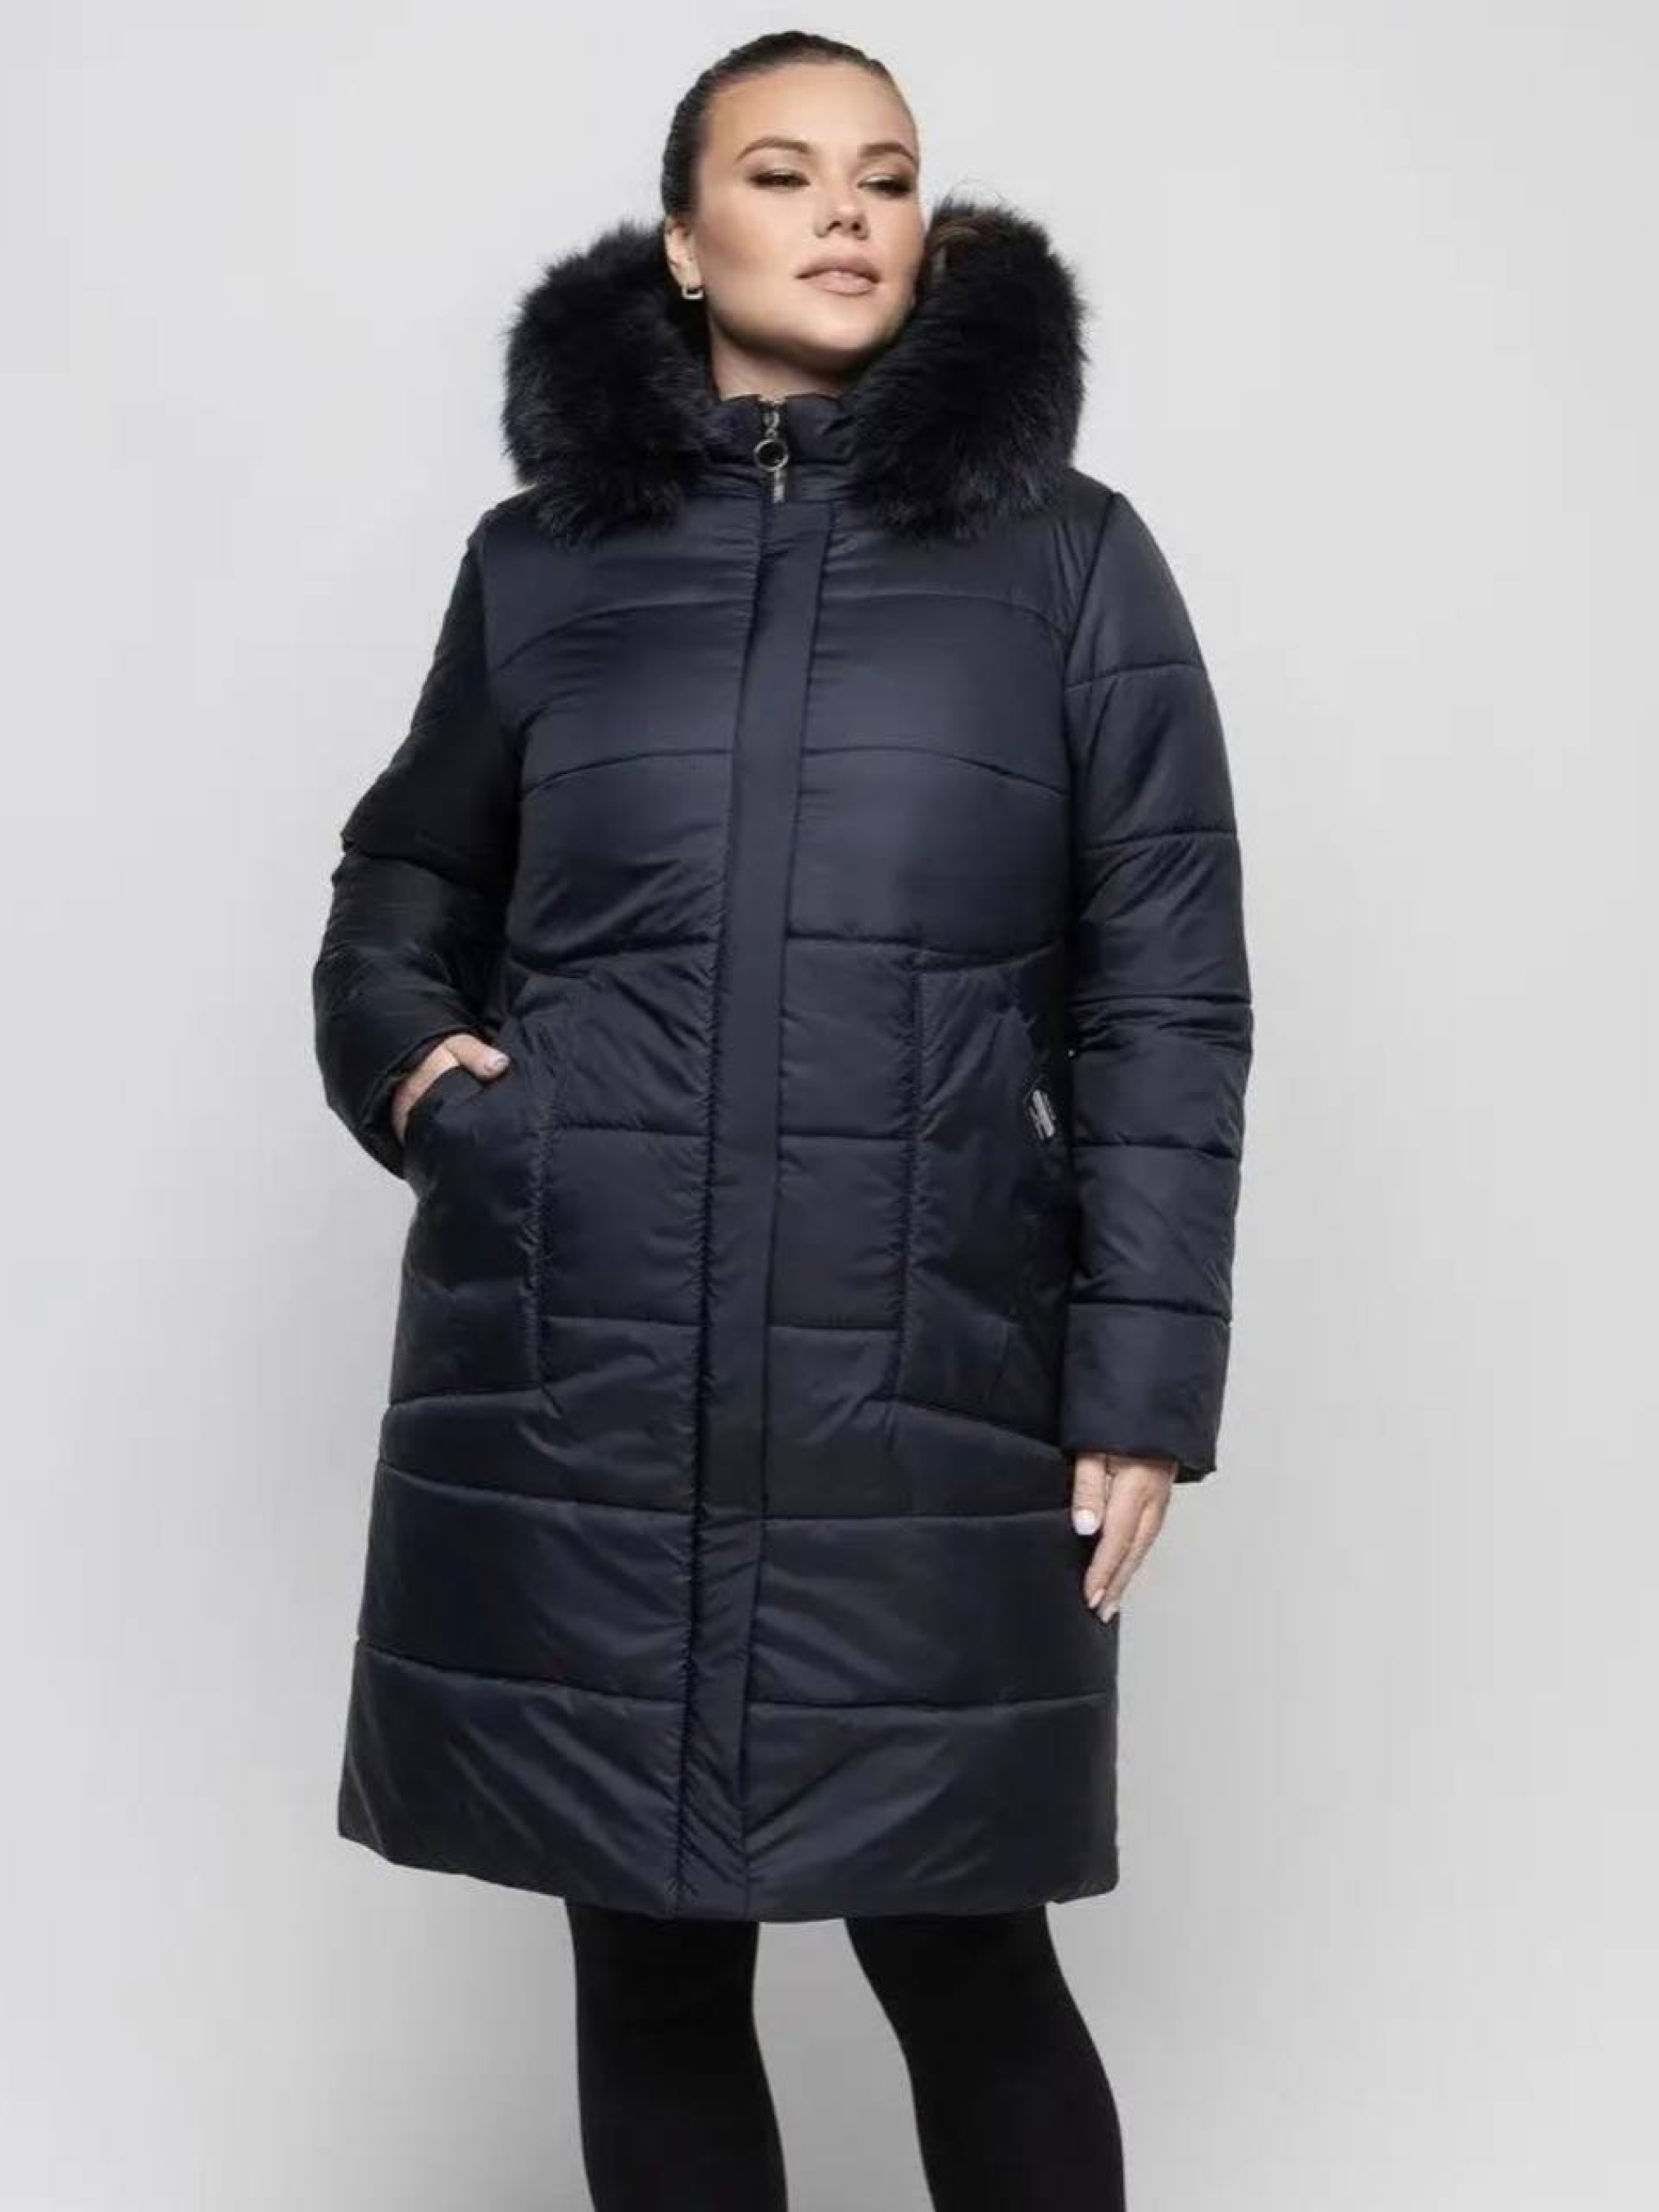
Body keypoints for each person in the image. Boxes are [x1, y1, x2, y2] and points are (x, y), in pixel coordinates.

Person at [311, 29, 1252, 2210]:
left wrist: (1140, 1389)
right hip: (586, 1367)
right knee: (646, 1962)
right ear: (681, 239)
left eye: (886, 175)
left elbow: (1164, 995)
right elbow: (406, 880)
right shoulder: (541, 562)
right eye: (782, 169)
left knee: (963, 1946)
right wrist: (426, 1078)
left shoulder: (1069, 561)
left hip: (923, 1378)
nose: (844, 210)